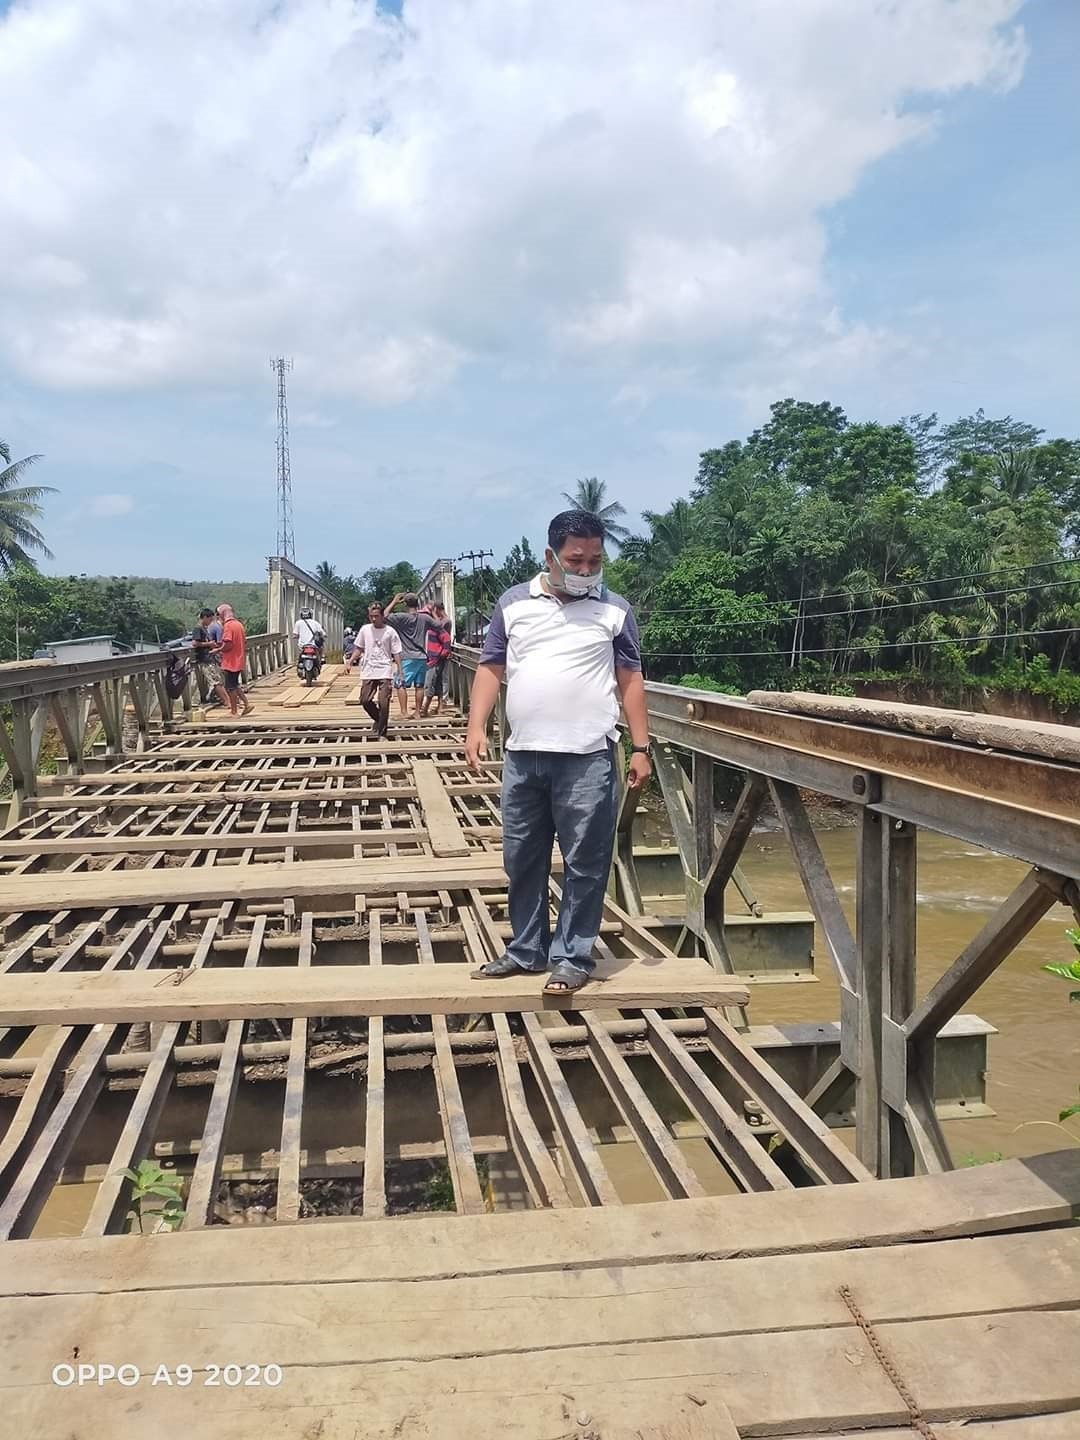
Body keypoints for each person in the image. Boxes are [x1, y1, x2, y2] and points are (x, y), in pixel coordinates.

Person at [465, 510, 652, 993]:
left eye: (595, 560)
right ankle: (526, 950)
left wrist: (641, 746)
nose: (586, 570)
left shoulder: (615, 610)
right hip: (524, 755)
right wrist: (476, 726)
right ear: (550, 557)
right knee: (521, 857)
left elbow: (630, 679)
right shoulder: (513, 604)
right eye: (576, 560)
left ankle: (572, 955)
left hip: (589, 756)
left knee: (586, 860)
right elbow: (490, 667)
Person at [353, 601, 403, 737]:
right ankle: (379, 719)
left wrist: (399, 669)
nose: (374, 619)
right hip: (368, 669)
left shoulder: (390, 632)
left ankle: (382, 734)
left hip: (385, 669)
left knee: (384, 702)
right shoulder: (365, 630)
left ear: (382, 616)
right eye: (371, 616)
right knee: (364, 700)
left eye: (376, 616)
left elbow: (396, 652)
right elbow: (359, 648)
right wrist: (350, 662)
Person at [384, 592, 435, 719]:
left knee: (400, 683)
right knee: (419, 685)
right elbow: (439, 626)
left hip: (407, 656)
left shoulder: (401, 617)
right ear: (418, 603)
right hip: (422, 656)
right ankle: (418, 712)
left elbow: (384, 615)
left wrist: (394, 601)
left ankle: (404, 712)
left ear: (405, 604)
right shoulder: (425, 618)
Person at [217, 603, 252, 716]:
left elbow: (228, 644)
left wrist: (218, 650)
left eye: (219, 614)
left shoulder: (228, 626)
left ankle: (234, 711)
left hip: (230, 661)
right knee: (235, 684)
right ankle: (247, 704)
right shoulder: (238, 624)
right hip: (239, 658)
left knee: (230, 687)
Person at [190, 606, 228, 709]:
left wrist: (211, 645)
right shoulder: (198, 628)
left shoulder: (204, 629)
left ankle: (225, 700)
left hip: (209, 657)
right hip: (205, 659)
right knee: (215, 681)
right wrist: (208, 644)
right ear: (205, 617)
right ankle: (226, 701)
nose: (210, 622)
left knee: (218, 679)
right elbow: (195, 643)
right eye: (210, 619)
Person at [421, 603, 452, 717]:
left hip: (435, 657)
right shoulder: (435, 624)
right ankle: (439, 708)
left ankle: (426, 708)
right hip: (435, 656)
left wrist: (444, 652)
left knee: (431, 682)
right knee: (437, 682)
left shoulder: (443, 623)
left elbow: (446, 638)